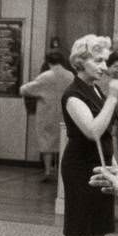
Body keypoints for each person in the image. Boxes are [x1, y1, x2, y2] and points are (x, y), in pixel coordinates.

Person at [60, 34, 118, 236]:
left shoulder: (94, 88)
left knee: (98, 226)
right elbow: (93, 131)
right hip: (79, 167)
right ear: (81, 61)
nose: (104, 67)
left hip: (100, 164)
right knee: (76, 229)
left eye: (104, 61)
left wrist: (114, 163)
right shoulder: (72, 94)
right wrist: (113, 97)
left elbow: (106, 134)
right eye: (98, 61)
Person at [19, 50, 74, 182]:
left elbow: (24, 89)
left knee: (47, 142)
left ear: (48, 61)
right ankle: (62, 172)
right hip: (66, 114)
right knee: (63, 142)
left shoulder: (45, 76)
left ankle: (48, 171)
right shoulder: (70, 75)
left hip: (47, 114)